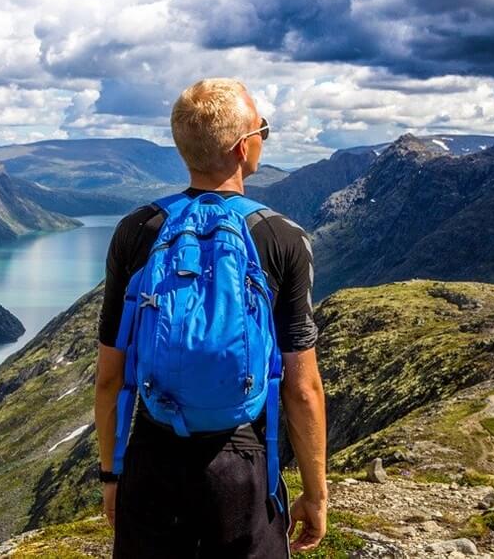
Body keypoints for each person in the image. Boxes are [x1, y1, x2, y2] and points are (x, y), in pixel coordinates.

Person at [94, 78, 328, 557]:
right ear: (244, 148)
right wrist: (315, 494)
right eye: (264, 127)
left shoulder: (138, 230)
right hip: (242, 463)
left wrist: (112, 476)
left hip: (153, 456)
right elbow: (302, 387)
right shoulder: (281, 237)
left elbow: (111, 378)